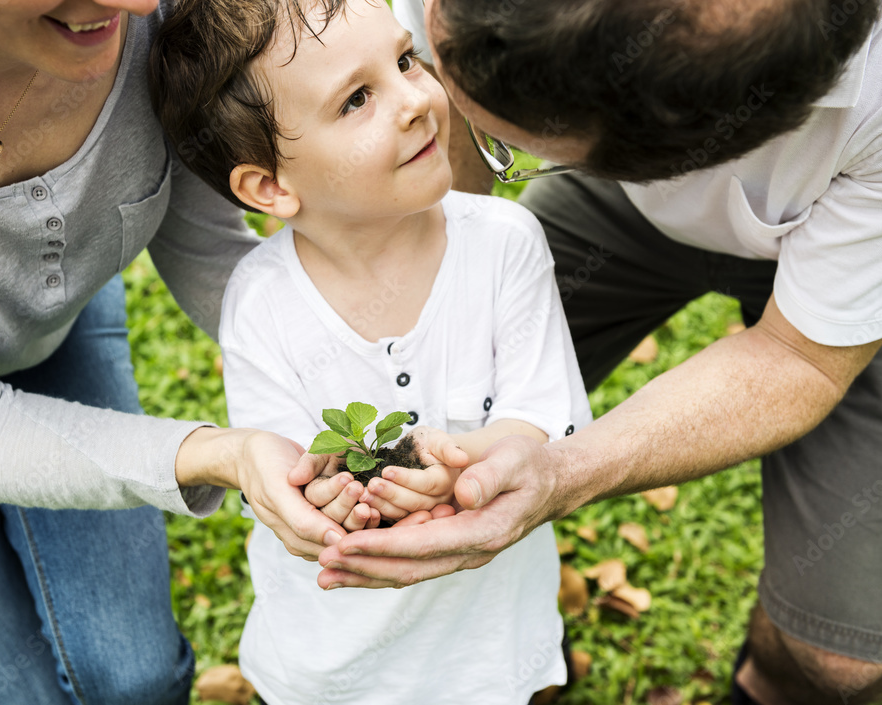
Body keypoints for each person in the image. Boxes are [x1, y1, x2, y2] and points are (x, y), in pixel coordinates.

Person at [304, 0, 882, 703]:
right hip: (621, 183)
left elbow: (799, 357)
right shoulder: (465, 15)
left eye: (503, 146)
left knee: (835, 660)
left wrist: (560, 471)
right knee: (415, 443)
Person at [149, 1, 592, 703]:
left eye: (406, 60)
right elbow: (289, 475)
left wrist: (469, 467)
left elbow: (542, 416)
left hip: (489, 648)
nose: (416, 101)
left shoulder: (506, 243)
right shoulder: (261, 302)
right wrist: (332, 496)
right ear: (270, 186)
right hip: (334, 664)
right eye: (357, 98)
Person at [0, 0, 352, 700]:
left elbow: (208, 247)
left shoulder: (154, 26)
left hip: (49, 336)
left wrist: (348, 389)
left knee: (138, 679)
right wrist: (223, 452)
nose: (134, 4)